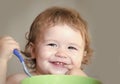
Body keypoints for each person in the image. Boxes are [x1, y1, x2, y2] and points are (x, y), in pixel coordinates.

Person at [0, 6, 93, 84]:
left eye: (71, 47)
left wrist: (81, 80)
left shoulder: (81, 78)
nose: (61, 54)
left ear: (83, 56)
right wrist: (2, 59)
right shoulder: (20, 80)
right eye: (52, 44)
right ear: (33, 50)